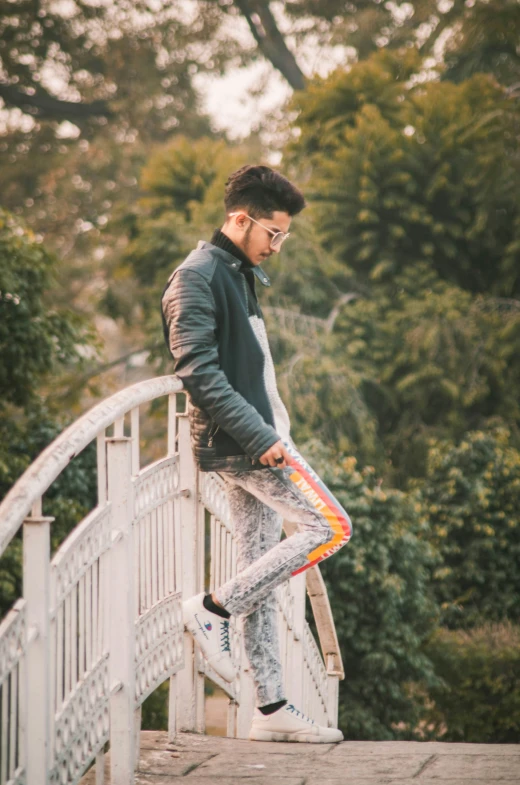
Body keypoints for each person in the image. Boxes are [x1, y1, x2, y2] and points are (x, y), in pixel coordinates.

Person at [161, 165, 352, 743]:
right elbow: (197, 371)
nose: (278, 245)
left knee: (261, 570)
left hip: (259, 442)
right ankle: (214, 607)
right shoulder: (195, 277)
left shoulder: (237, 272)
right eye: (273, 233)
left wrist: (271, 431)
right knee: (333, 526)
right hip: (247, 449)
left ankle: (269, 711)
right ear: (240, 219)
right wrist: (261, 437)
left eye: (283, 236)